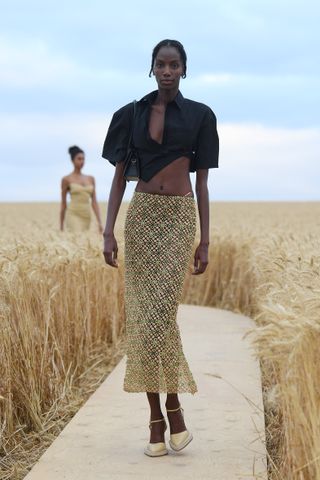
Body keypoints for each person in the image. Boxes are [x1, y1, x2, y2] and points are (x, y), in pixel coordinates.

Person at [101, 39, 219, 457]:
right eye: (160, 64)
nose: (167, 71)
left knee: (157, 318)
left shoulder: (202, 116)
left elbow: (202, 183)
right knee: (143, 319)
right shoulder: (130, 114)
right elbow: (118, 179)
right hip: (142, 218)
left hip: (179, 219)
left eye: (174, 65)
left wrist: (204, 240)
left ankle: (169, 408)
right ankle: (161, 415)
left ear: (184, 69)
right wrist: (108, 231)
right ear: (151, 68)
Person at [60, 145, 103, 233]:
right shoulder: (66, 179)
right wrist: (61, 225)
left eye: (83, 159)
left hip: (86, 215)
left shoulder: (91, 178)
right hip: (73, 214)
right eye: (79, 159)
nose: (82, 161)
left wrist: (99, 222)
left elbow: (94, 202)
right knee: (76, 236)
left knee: (83, 240)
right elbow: (63, 203)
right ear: (72, 160)